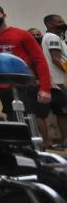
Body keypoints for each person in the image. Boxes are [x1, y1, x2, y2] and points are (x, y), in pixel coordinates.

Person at [0, 5, 53, 145]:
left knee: (31, 117)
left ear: (4, 14)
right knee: (12, 116)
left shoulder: (22, 34)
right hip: (3, 85)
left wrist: (45, 88)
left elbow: (40, 59)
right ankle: (20, 147)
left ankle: (41, 146)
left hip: (25, 83)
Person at [41, 14, 67, 148]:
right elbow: (56, 59)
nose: (63, 23)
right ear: (49, 25)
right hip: (60, 80)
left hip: (58, 80)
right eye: (59, 22)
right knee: (63, 112)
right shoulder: (53, 37)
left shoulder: (55, 37)